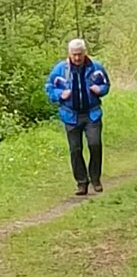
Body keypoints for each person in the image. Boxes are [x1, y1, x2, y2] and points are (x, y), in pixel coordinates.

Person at [45, 39, 110, 195]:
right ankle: (81, 182)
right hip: (70, 115)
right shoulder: (60, 70)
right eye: (74, 55)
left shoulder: (95, 68)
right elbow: (49, 87)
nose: (77, 58)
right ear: (69, 54)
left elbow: (106, 84)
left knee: (95, 145)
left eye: (79, 54)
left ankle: (95, 178)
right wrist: (60, 94)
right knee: (75, 150)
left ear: (84, 52)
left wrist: (99, 90)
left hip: (91, 114)